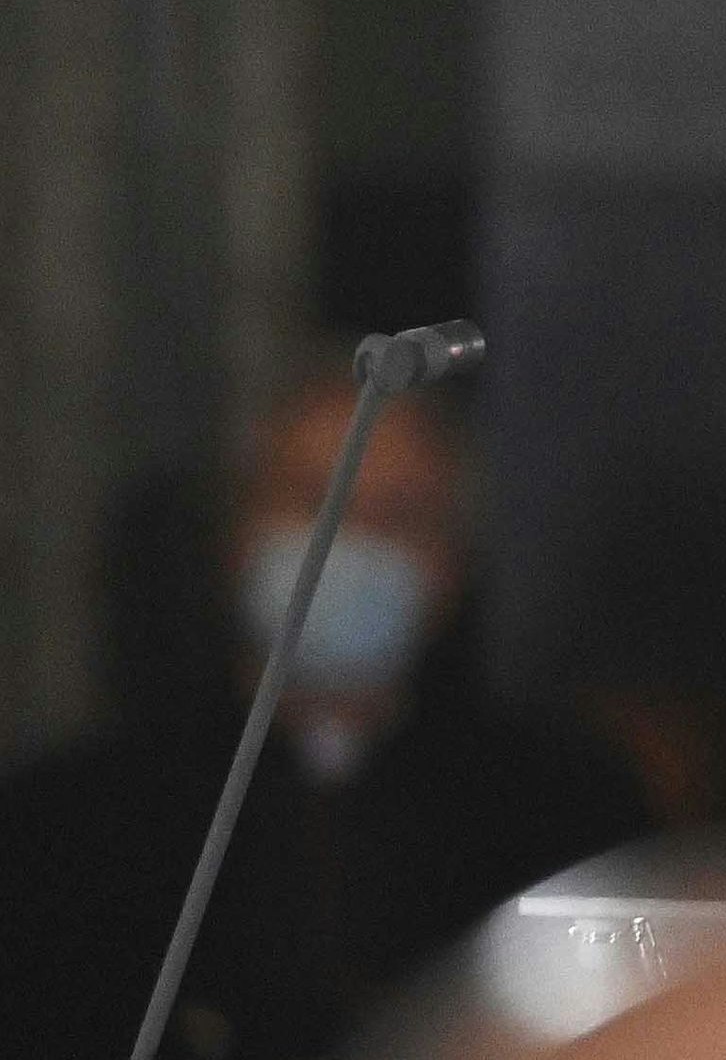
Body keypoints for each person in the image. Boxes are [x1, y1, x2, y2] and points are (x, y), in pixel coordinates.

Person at [0, 362, 653, 1060]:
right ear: (238, 536)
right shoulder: (73, 820)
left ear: (452, 567)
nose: (350, 542)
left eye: (398, 516)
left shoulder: (565, 813)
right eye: (315, 502)